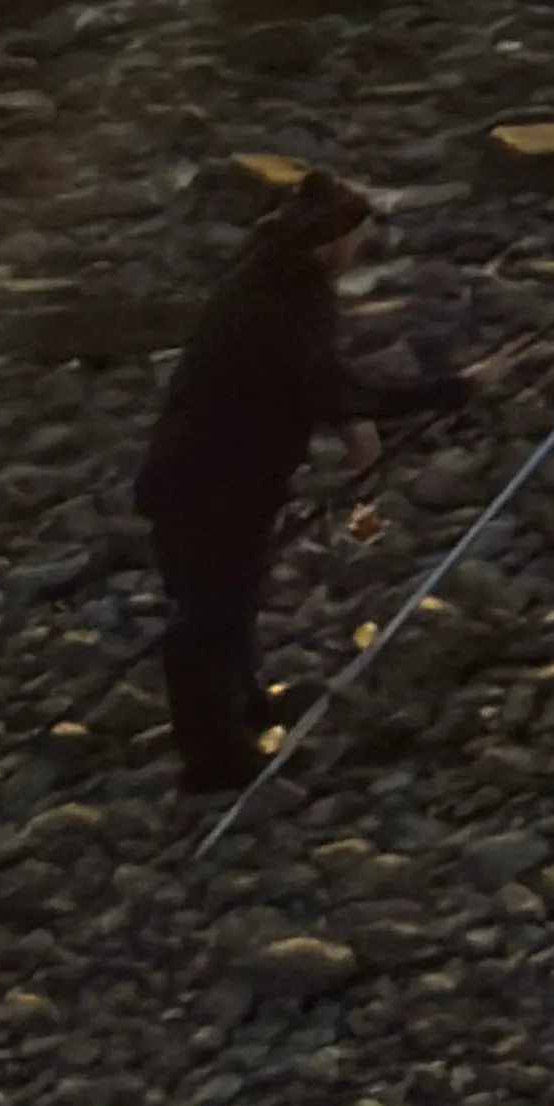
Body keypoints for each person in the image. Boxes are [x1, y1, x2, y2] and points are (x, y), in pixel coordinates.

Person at [136, 168, 461, 792]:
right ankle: (214, 761)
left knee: (234, 596)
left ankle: (245, 704)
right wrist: (445, 393)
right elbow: (322, 384)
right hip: (206, 479)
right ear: (332, 240)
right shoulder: (283, 297)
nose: (361, 250)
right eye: (359, 237)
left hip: (227, 474)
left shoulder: (275, 275)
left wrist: (353, 428)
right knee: (209, 611)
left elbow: (312, 379)